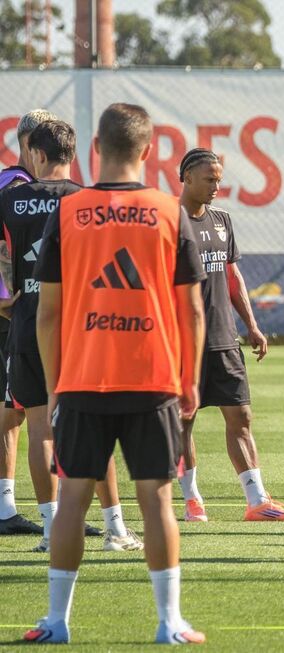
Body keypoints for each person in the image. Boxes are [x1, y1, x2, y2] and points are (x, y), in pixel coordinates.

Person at [24, 103, 207, 644]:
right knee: (155, 501)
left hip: (82, 379)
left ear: (96, 149)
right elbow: (192, 310)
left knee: (73, 499)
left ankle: (57, 621)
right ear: (149, 151)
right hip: (153, 378)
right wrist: (190, 379)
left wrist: (57, 386)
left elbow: (48, 314)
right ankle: (169, 621)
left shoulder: (70, 211)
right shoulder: (169, 211)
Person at [0, 120, 144, 553]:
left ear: (36, 155)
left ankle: (50, 529)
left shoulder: (7, 200)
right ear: (74, 154)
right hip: (88, 325)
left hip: (29, 322)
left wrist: (9, 298)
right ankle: (115, 527)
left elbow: (3, 265)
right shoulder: (91, 200)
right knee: (94, 424)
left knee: (42, 426)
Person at [174, 148, 284, 523]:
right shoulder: (168, 221)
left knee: (242, 417)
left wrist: (251, 325)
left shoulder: (222, 220)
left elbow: (232, 276)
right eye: (210, 179)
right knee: (184, 422)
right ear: (186, 178)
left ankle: (258, 501)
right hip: (183, 344)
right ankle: (192, 499)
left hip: (223, 339)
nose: (217, 186)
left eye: (219, 178)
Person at [0, 109, 52, 535]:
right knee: (13, 412)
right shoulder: (12, 185)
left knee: (15, 413)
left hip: (23, 314)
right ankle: (5, 511)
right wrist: (1, 295)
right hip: (13, 317)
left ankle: (7, 508)